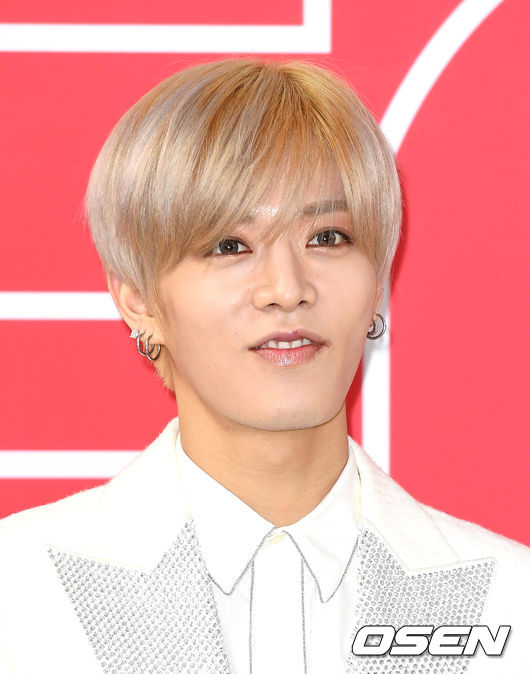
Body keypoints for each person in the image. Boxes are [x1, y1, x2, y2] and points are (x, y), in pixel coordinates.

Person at [0, 57, 528, 674]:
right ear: (138, 300)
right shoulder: (20, 592)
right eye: (231, 246)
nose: (287, 289)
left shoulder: (511, 604)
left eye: (327, 237)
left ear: (377, 282)